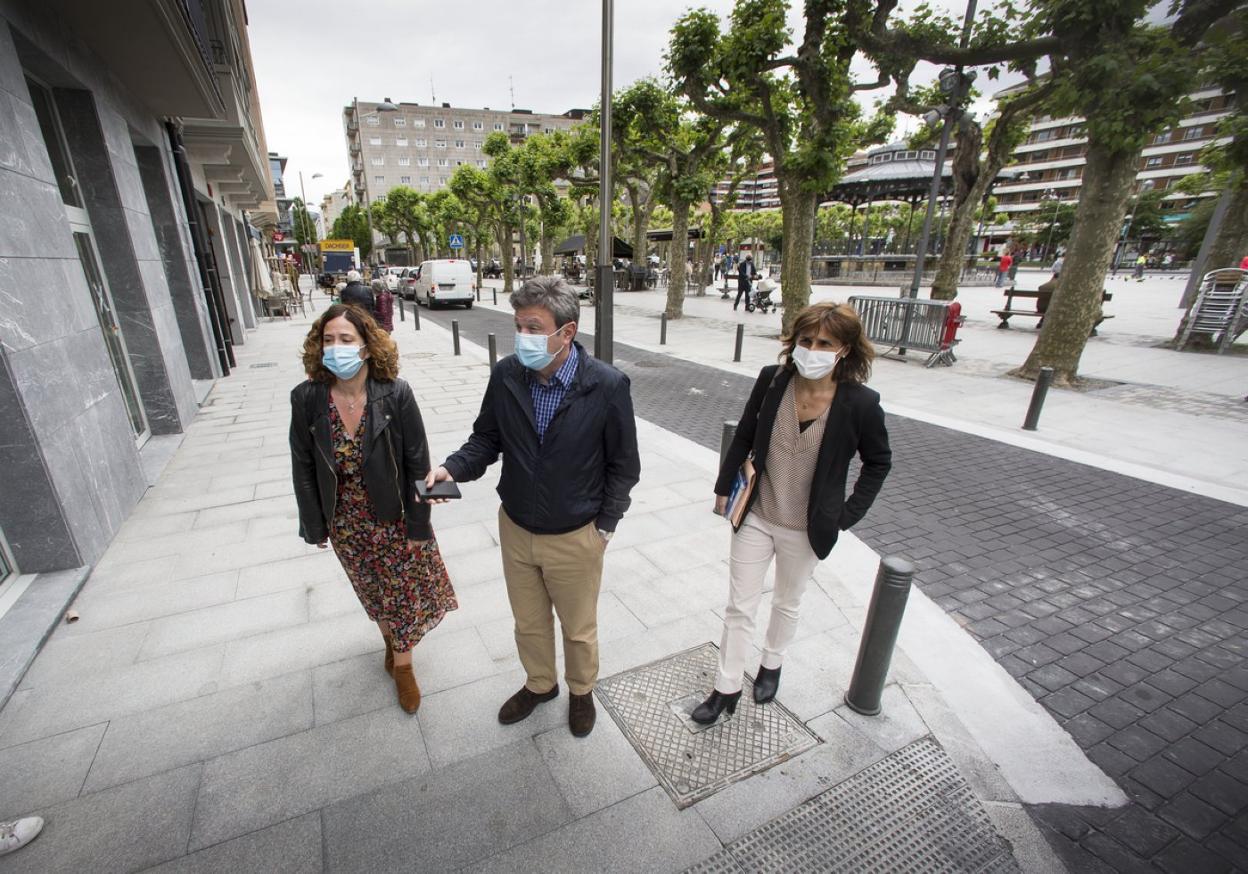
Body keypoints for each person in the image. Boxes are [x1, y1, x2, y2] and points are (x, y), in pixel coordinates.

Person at [424, 277, 640, 737]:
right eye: (518, 325)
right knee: (528, 622)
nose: (522, 336)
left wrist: (605, 524)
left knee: (578, 629)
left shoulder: (606, 385)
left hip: (576, 534)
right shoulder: (507, 376)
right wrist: (452, 469)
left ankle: (581, 691)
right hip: (517, 526)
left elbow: (625, 465)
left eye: (533, 327)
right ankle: (540, 684)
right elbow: (486, 438)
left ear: (567, 332)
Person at [694, 301, 892, 724]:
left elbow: (879, 462)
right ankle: (726, 687)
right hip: (757, 515)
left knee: (786, 602)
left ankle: (772, 663)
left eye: (825, 342)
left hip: (806, 527)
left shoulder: (860, 403)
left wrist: (846, 513)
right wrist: (722, 488)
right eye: (806, 340)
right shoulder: (773, 381)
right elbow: (746, 433)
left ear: (844, 349)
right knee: (739, 606)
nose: (812, 349)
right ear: (793, 342)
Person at [290, 304, 457, 714]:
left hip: (394, 516)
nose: (336, 348)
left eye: (346, 339)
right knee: (373, 593)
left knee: (402, 595)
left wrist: (420, 525)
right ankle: (389, 642)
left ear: (366, 347)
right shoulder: (307, 399)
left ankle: (403, 666)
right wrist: (314, 525)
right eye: (328, 340)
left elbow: (419, 461)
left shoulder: (396, 393)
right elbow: (304, 467)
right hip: (345, 523)